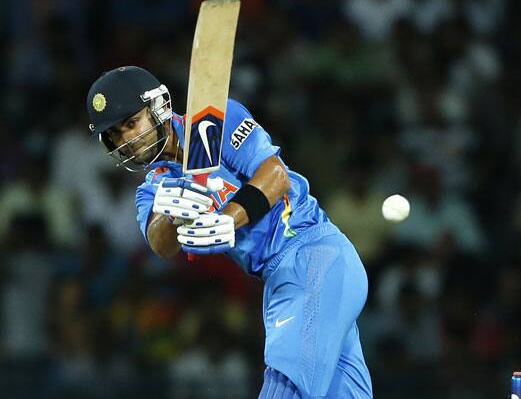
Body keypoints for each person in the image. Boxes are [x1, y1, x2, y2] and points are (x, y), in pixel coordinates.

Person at [86, 66, 373, 398]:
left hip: (313, 255)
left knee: (286, 389)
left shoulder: (212, 121)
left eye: (131, 124)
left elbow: (275, 175)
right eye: (115, 135)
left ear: (157, 107)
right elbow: (160, 244)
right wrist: (170, 214)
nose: (127, 141)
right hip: (279, 280)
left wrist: (229, 218)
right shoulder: (154, 187)